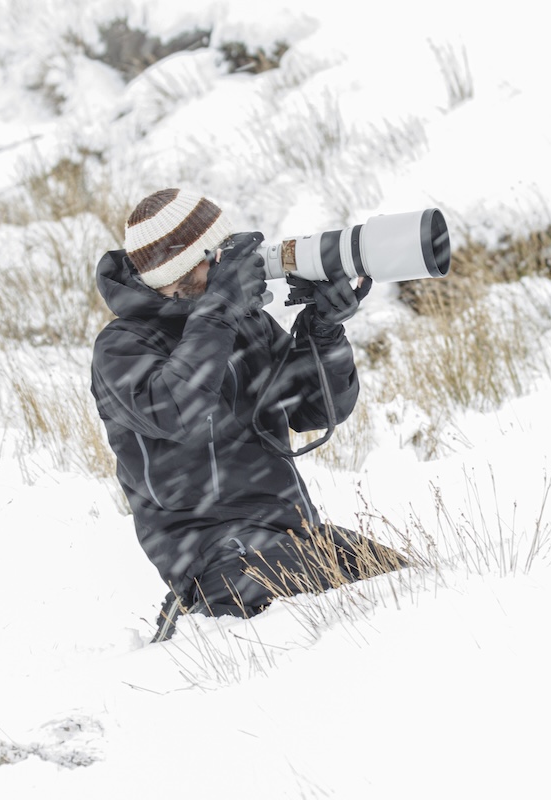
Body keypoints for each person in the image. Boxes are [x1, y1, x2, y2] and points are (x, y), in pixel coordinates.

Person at [91, 188, 405, 642]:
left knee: (409, 584)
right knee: (356, 607)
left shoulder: (242, 322)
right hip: (210, 553)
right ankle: (192, 613)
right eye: (216, 255)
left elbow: (317, 410)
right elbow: (177, 410)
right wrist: (220, 309)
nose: (229, 262)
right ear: (181, 266)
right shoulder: (122, 346)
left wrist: (324, 330)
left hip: (293, 535)